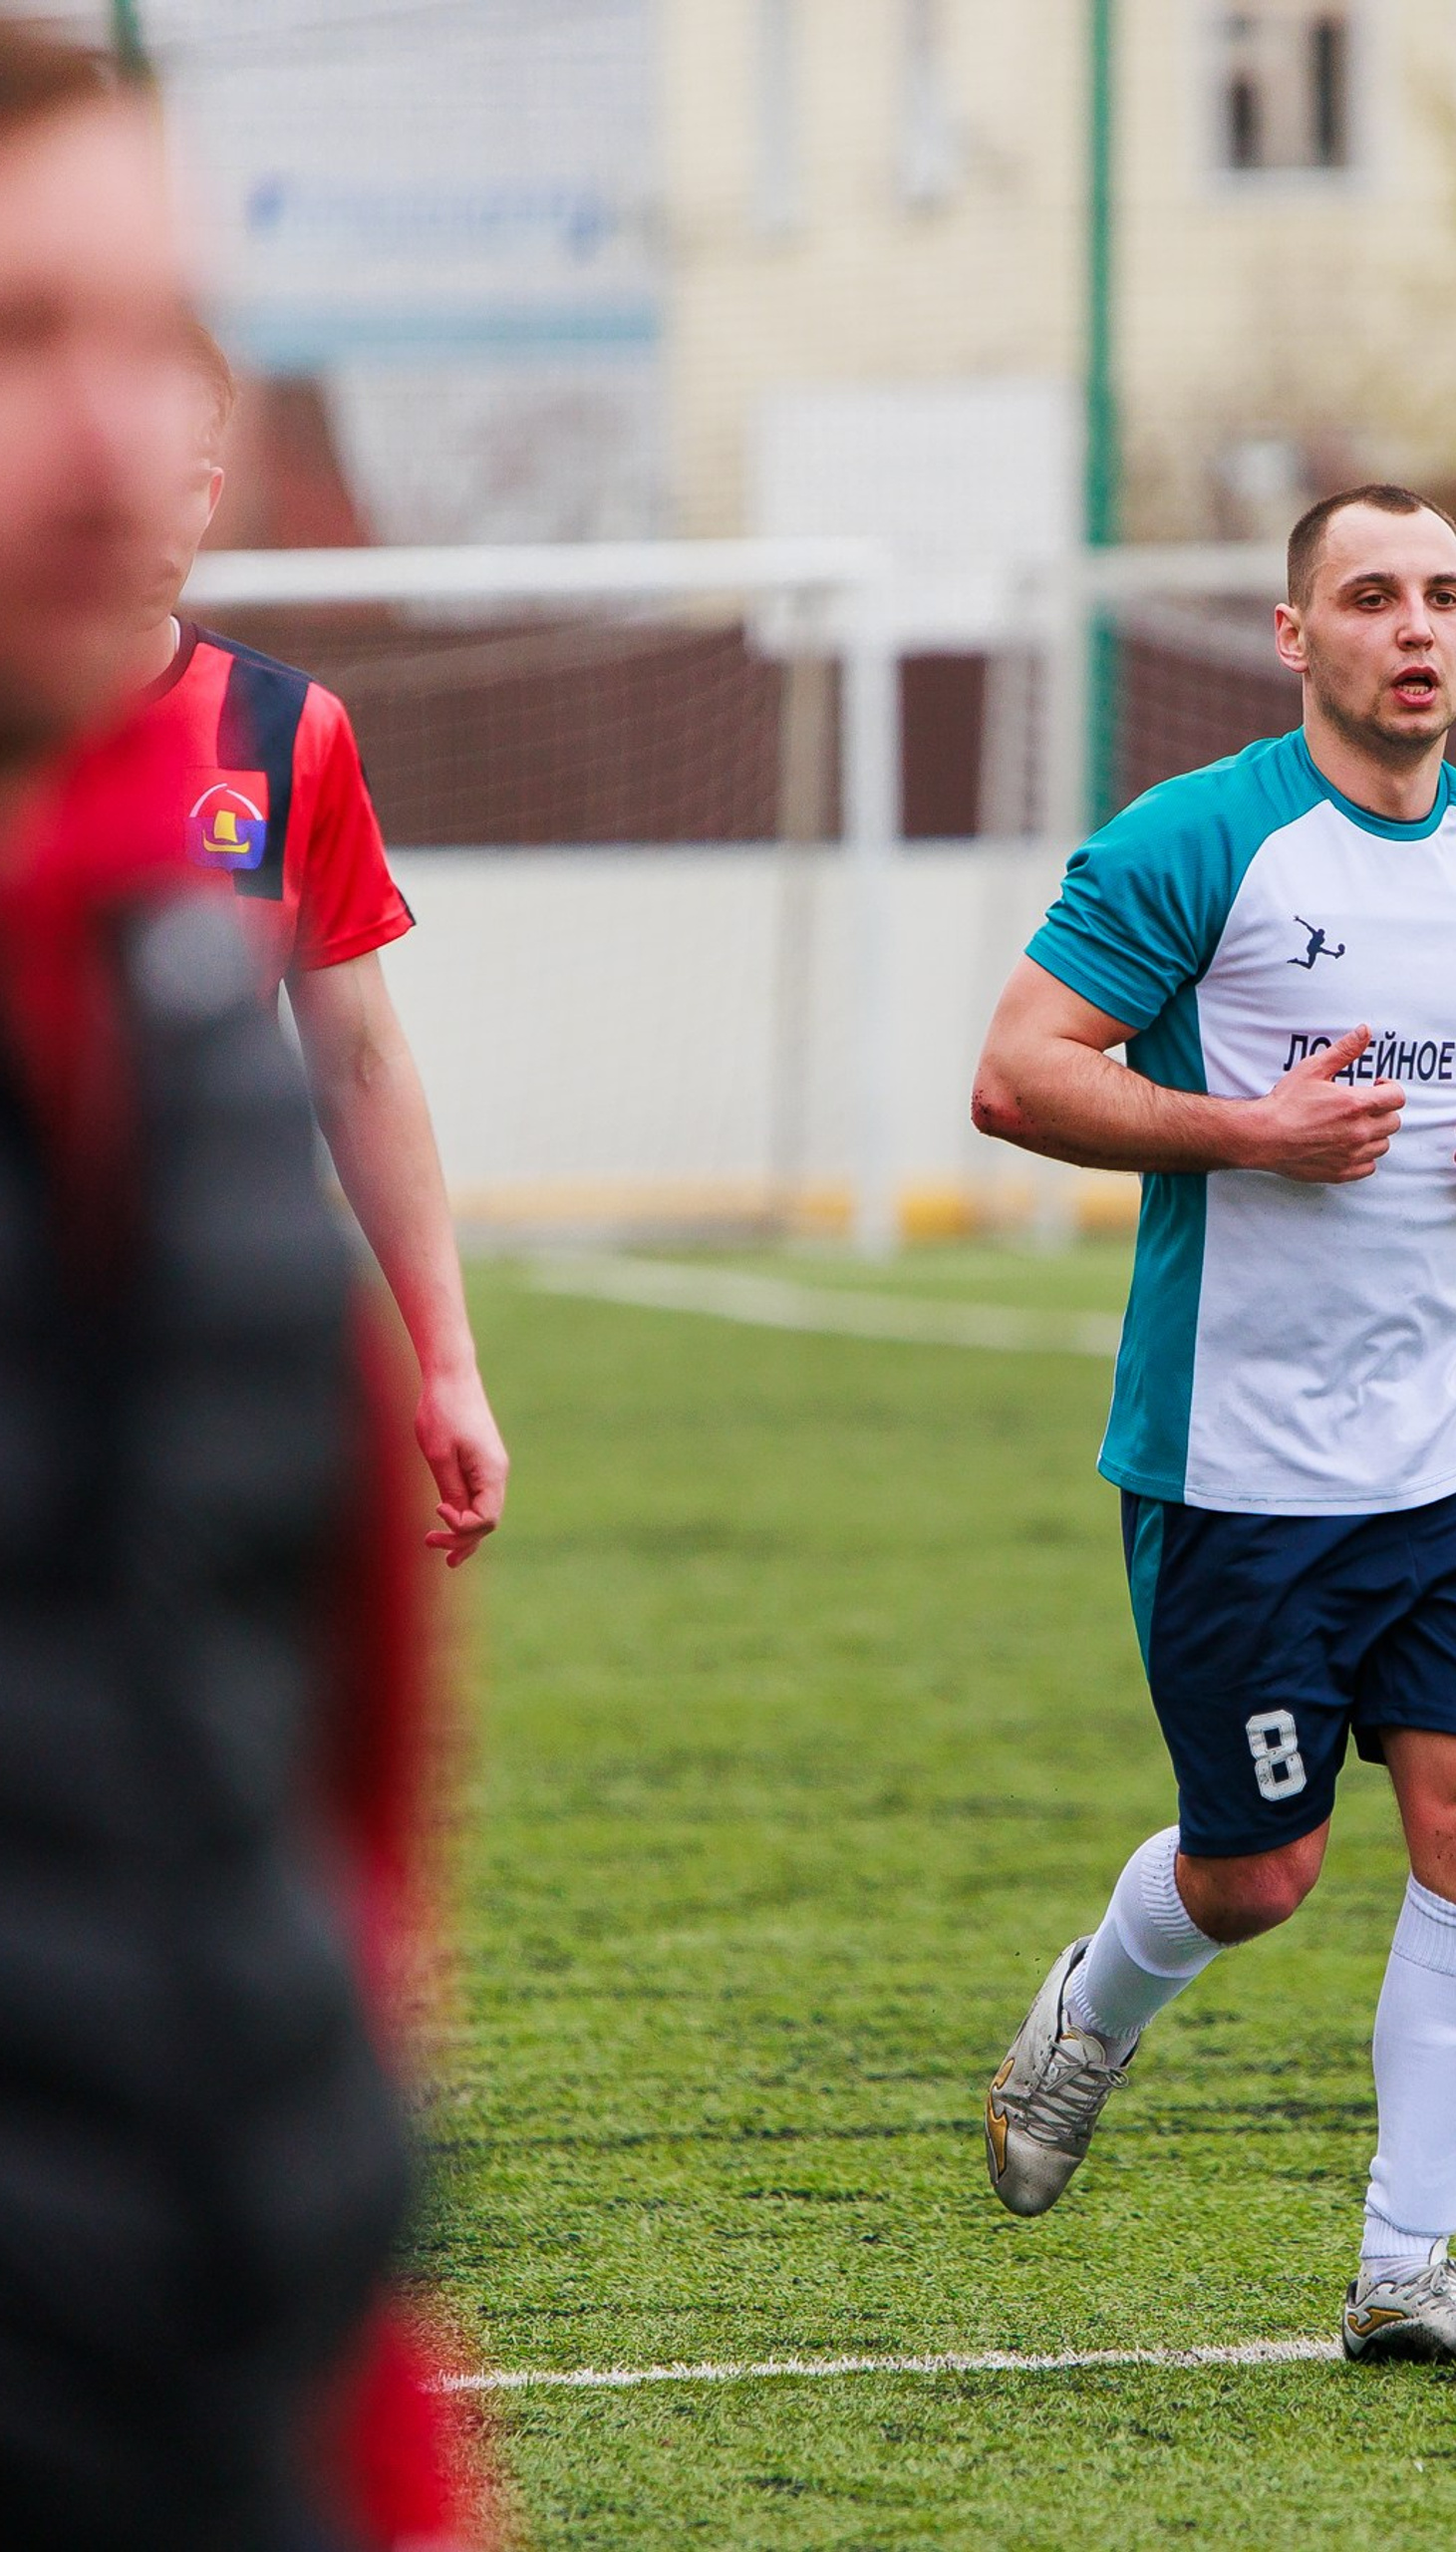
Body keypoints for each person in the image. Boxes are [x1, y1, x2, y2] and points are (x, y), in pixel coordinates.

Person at [970, 484, 1456, 2366]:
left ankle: (1406, 2269)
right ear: (1295, 635)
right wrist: (1247, 1128)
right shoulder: (1204, 842)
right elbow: (1015, 1073)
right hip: (1239, 1464)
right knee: (1259, 1876)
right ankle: (1095, 2005)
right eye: (1374, 598)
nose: (1419, 628)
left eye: (1448, 596)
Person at [0, 22, 431, 2545]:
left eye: (153, 338)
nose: (104, 429)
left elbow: (340, 1857)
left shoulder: (181, 1019)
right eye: (19, 337)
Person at [122, 323, 509, 1569]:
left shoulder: (290, 731)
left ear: (214, 493)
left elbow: (358, 1063)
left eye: (182, 469)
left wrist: (447, 1362)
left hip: (211, 1338)